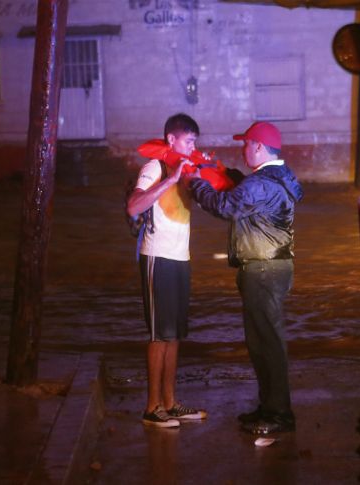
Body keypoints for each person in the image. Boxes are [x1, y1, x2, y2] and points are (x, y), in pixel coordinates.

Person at [183, 121, 303, 434]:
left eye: (246, 144)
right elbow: (248, 194)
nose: (243, 149)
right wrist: (229, 176)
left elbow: (225, 207)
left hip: (263, 270)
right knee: (262, 342)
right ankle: (269, 407)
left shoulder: (261, 184)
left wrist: (198, 183)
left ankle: (279, 415)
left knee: (268, 344)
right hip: (272, 268)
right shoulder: (279, 176)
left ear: (260, 148)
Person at [127, 113, 208, 428]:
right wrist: (171, 180)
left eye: (194, 142)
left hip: (180, 258)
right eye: (188, 141)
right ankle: (151, 407)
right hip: (157, 258)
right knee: (159, 335)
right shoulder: (155, 168)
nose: (191, 147)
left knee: (175, 336)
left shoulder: (187, 171)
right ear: (171, 140)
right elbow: (133, 206)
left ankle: (170, 404)